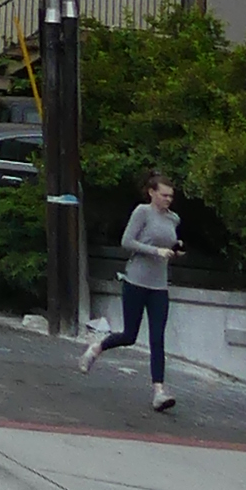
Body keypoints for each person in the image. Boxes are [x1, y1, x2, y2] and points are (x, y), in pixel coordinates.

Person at [80, 169, 183, 409]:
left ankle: (159, 391)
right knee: (129, 335)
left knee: (157, 338)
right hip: (136, 281)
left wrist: (176, 248)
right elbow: (127, 242)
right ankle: (97, 347)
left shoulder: (173, 219)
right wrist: (155, 251)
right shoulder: (142, 212)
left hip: (159, 285)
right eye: (164, 195)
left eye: (171, 196)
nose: (168, 200)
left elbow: (169, 243)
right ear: (152, 193)